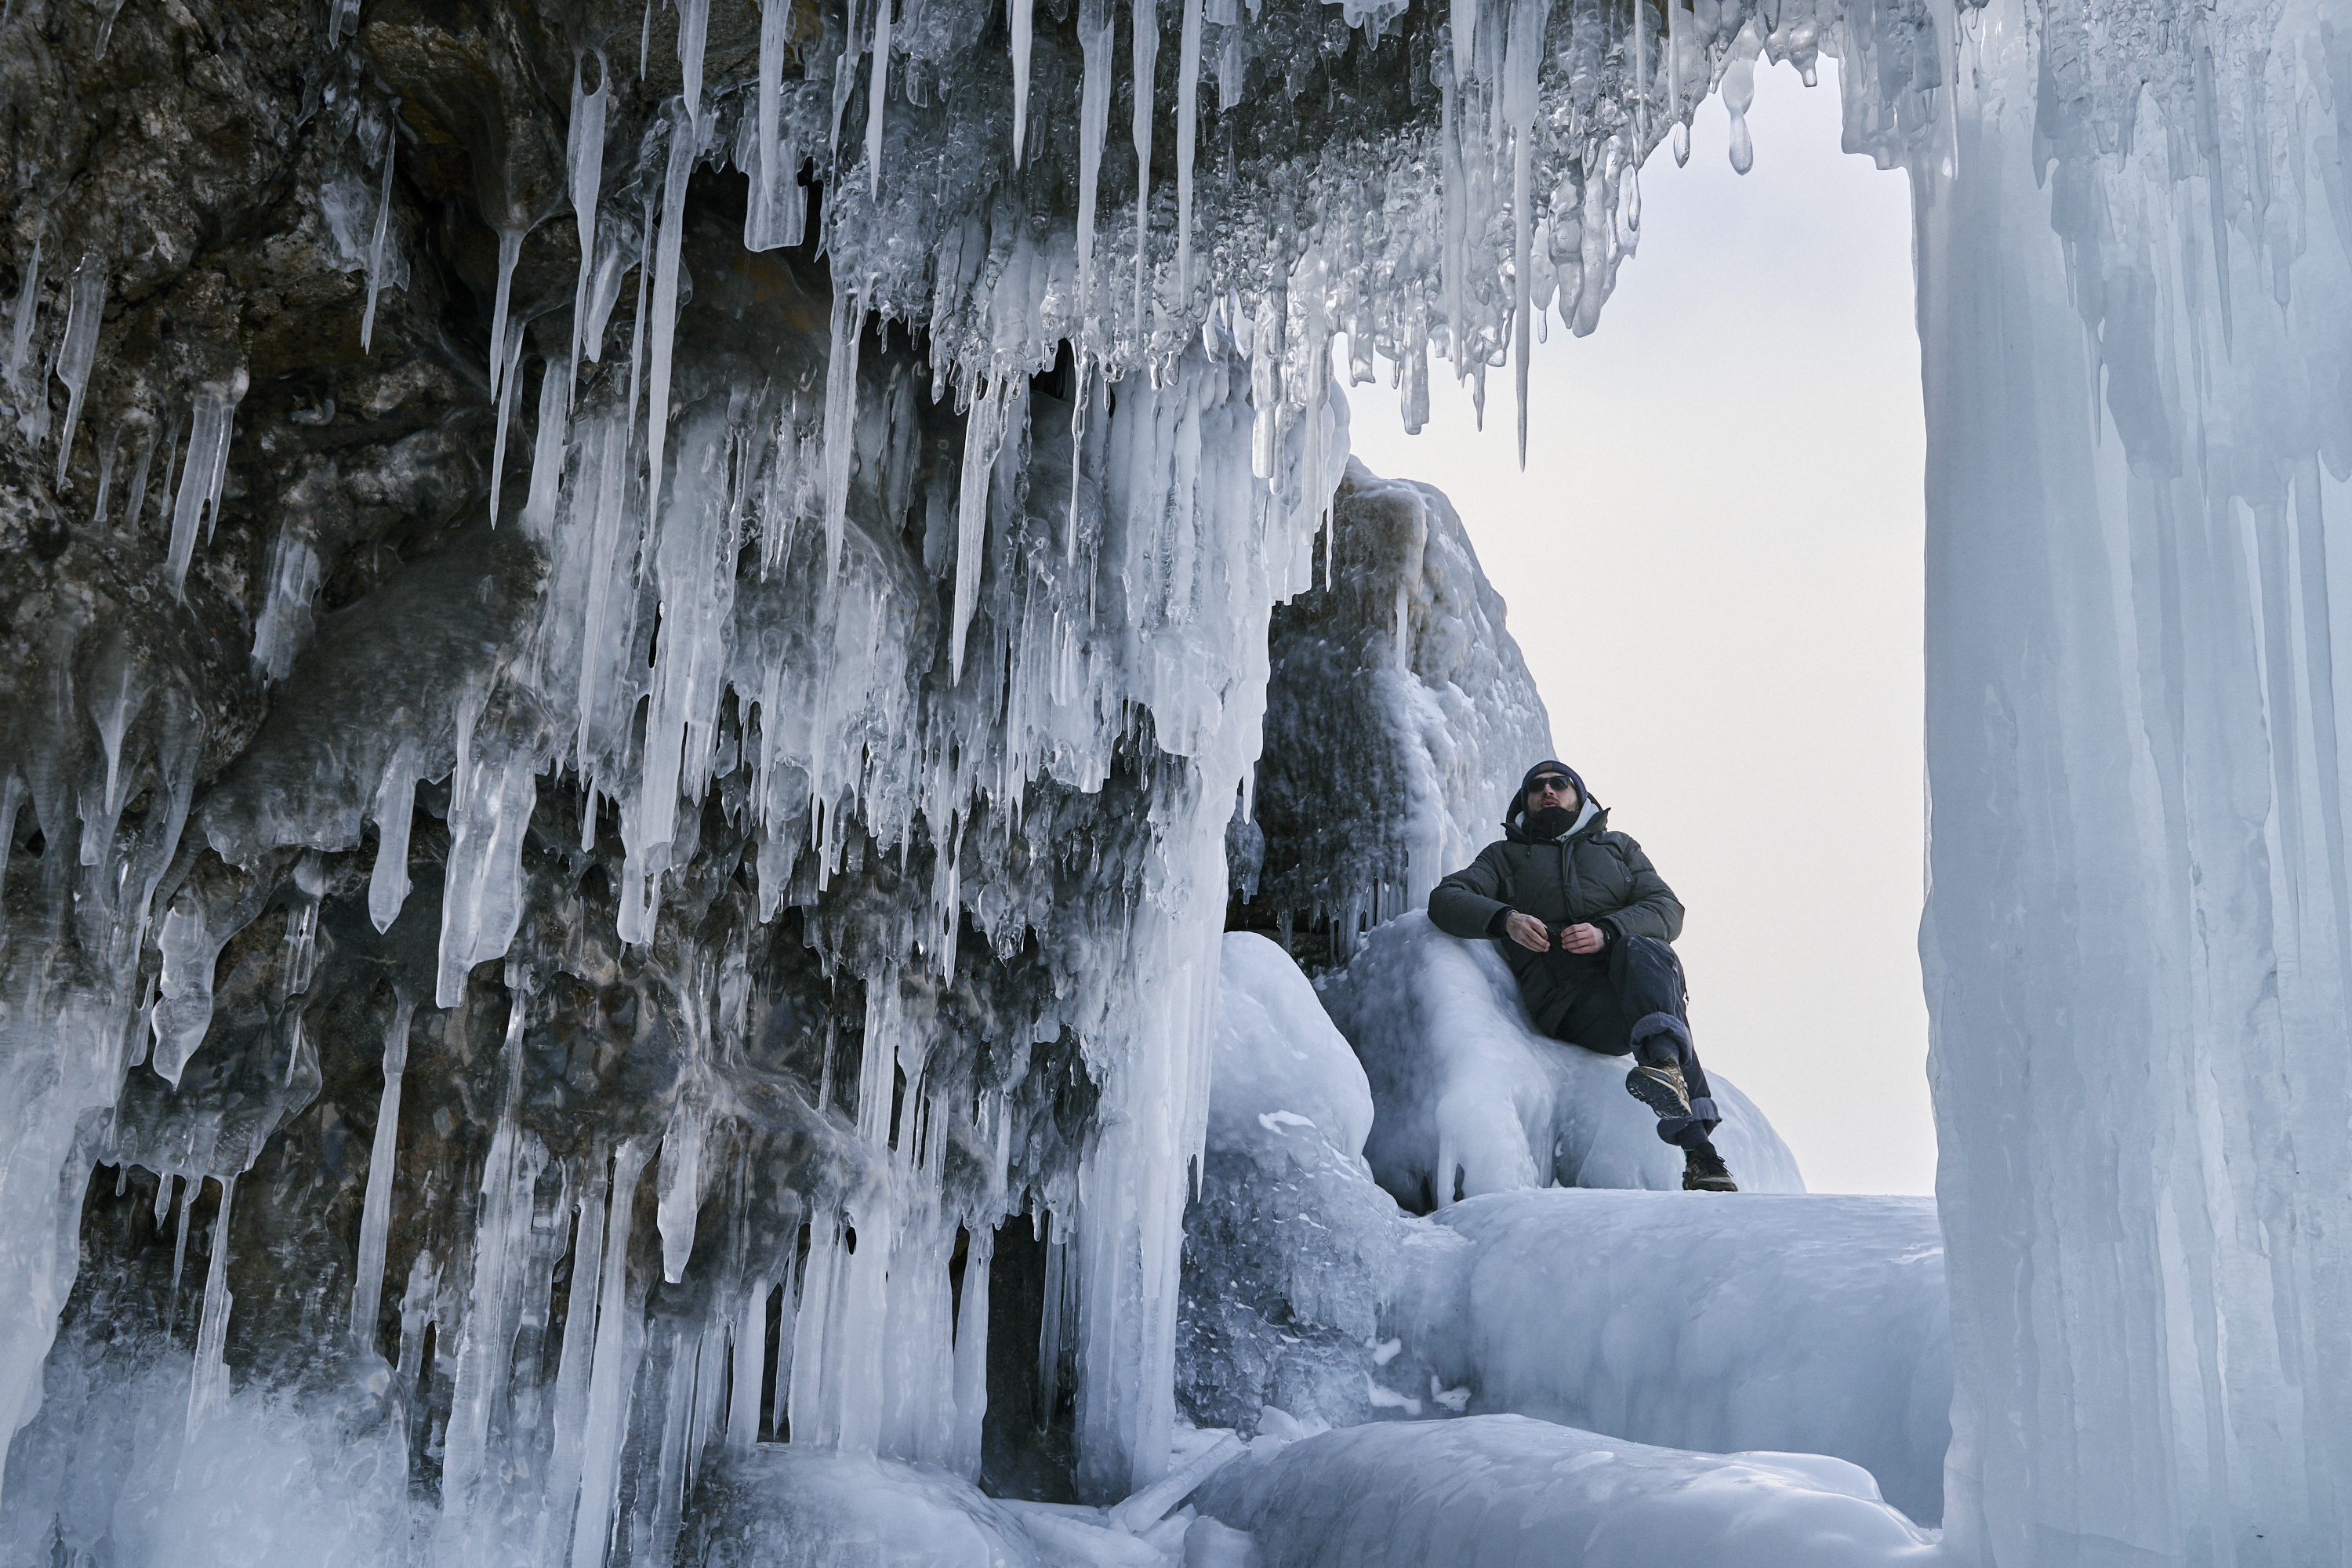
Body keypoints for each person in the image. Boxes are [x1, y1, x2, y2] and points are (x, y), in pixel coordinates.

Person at [1428, 760, 1739, 1192]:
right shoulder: (1504, 858)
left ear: (1581, 795)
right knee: (1654, 999)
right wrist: (1507, 919)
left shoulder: (1618, 849)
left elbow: (1668, 910)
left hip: (1635, 980)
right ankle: (1693, 1134)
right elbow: (1445, 899)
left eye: (1560, 784)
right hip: (1571, 1002)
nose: (1548, 792)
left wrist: (1606, 931)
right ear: (1526, 801)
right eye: (1537, 788)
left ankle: (1692, 1136)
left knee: (1643, 947)